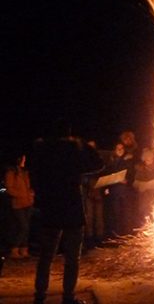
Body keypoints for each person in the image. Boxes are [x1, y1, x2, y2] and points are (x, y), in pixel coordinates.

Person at [30, 122, 103, 304]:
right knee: (72, 258)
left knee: (46, 256)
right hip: (72, 208)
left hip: (50, 208)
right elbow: (98, 164)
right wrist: (83, 143)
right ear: (69, 133)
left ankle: (40, 297)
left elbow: (34, 175)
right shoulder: (73, 150)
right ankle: (68, 298)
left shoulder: (41, 150)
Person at [4, 154, 35, 258]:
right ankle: (14, 249)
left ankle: (24, 250)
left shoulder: (24, 172)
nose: (24, 161)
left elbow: (28, 186)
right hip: (18, 203)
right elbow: (9, 188)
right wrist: (22, 195)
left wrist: (31, 193)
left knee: (27, 227)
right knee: (23, 226)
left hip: (28, 203)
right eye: (23, 159)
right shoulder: (11, 173)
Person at [133, 147, 154, 225]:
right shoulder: (141, 169)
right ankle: (145, 222)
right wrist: (142, 185)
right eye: (146, 159)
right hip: (144, 193)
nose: (148, 160)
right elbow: (136, 184)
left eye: (149, 158)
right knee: (145, 200)